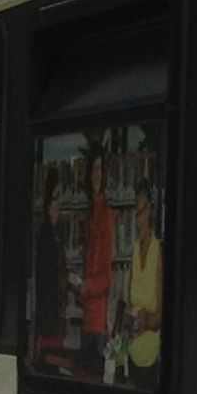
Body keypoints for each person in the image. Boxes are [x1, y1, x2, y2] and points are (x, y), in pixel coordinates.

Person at [125, 178, 163, 385]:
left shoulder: (159, 252)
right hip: (131, 351)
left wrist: (145, 321)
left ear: (151, 211)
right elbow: (129, 302)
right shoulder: (133, 250)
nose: (138, 219)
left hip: (151, 356)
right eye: (136, 212)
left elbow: (161, 314)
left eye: (142, 212)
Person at [32, 164, 70, 368]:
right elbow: (46, 284)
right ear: (47, 202)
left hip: (55, 318)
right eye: (55, 197)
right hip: (49, 321)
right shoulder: (46, 237)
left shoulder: (56, 234)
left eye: (60, 197)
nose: (59, 203)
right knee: (50, 364)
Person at [80, 147, 114, 372]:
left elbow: (105, 276)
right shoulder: (91, 213)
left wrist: (84, 286)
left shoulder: (105, 214)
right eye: (93, 168)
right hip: (87, 315)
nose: (96, 174)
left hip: (98, 319)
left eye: (100, 169)